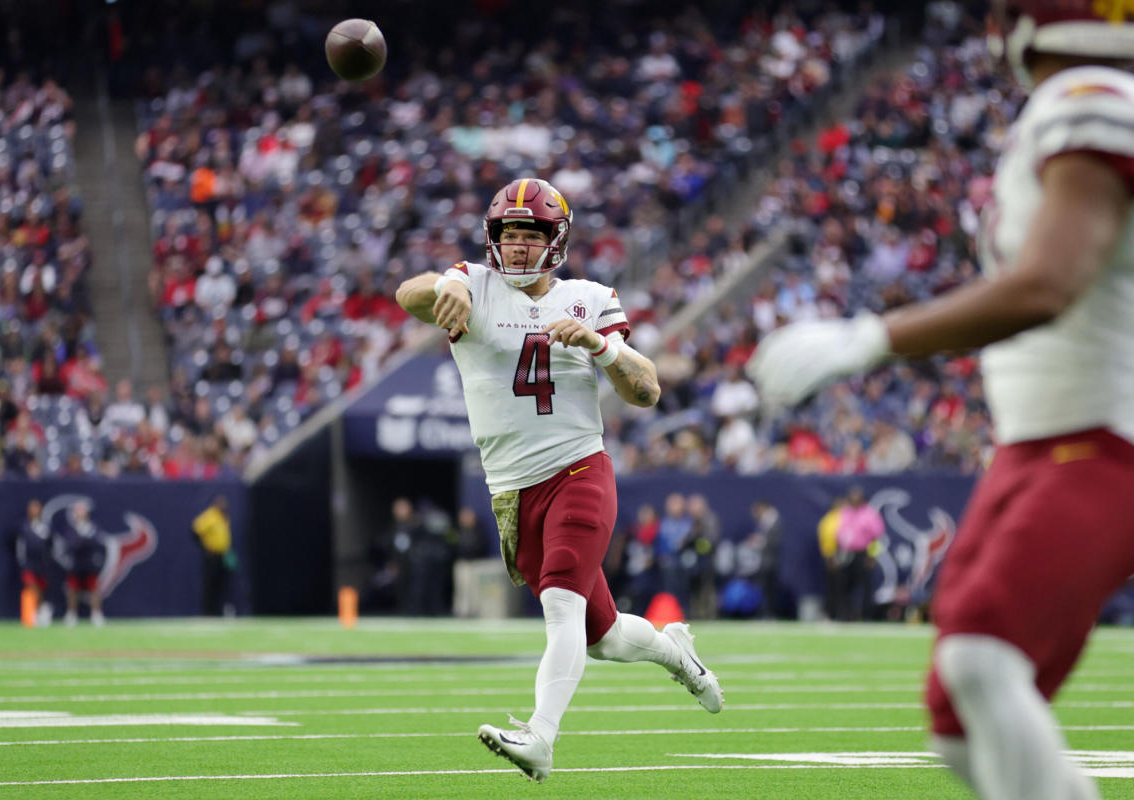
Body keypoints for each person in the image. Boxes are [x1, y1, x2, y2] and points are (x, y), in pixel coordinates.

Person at [748, 4, 1134, 797]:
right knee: (958, 719)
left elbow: (1048, 286)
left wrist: (872, 337)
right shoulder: (1066, 109)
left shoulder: (1090, 100)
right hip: (1037, 442)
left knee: (982, 657)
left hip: (1100, 439)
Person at [397, 177, 723, 783]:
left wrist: (602, 348)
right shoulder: (473, 282)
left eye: (532, 234)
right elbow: (406, 292)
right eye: (510, 234)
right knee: (602, 636)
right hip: (513, 490)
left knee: (560, 608)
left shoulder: (589, 297)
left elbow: (647, 389)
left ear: (557, 239)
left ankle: (540, 738)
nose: (518, 246)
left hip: (578, 469)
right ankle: (678, 653)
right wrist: (449, 285)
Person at [832, 486, 884, 621]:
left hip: (863, 553)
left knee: (866, 586)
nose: (854, 500)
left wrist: (872, 556)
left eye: (857, 497)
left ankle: (866, 615)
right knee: (843, 585)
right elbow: (838, 534)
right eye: (852, 497)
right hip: (845, 552)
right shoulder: (844, 512)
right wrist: (837, 554)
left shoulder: (869, 514)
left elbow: (877, 537)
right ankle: (844, 615)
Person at [56, 501, 106, 626]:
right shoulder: (71, 528)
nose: (80, 513)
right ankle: (71, 614)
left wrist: (82, 542)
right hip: (76, 563)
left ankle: (96, 614)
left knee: (94, 588)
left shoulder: (93, 527)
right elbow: (71, 544)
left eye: (82, 510)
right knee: (72, 588)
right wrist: (83, 541)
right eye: (78, 510)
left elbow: (97, 543)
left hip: (89, 562)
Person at [192, 494, 235, 616]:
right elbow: (195, 531)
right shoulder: (210, 516)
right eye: (220, 503)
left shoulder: (224, 517)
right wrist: (205, 548)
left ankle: (218, 611)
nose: (223, 505)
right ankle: (208, 611)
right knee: (210, 584)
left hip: (223, 555)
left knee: (222, 584)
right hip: (212, 556)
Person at [16, 498, 53, 627]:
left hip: (42, 564)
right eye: (32, 508)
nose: (34, 510)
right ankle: (33, 613)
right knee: (32, 587)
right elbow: (20, 546)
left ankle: (40, 612)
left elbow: (50, 545)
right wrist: (22, 562)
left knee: (41, 590)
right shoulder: (24, 526)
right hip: (29, 563)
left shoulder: (45, 526)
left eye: (36, 507)